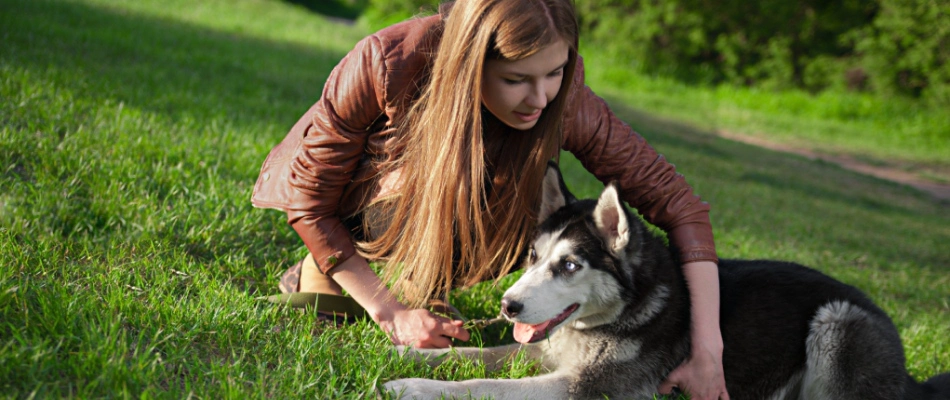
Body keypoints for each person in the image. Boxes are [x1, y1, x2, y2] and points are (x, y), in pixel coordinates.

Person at [251, 0, 728, 398]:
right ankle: (349, 275)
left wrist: (707, 350)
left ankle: (424, 284)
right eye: (517, 79)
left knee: (538, 194)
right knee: (341, 288)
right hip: (366, 213)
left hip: (455, 234)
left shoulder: (565, 100)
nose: (540, 98)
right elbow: (310, 198)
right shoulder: (386, 61)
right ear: (470, 62)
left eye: (555, 72)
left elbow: (681, 207)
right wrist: (391, 315)